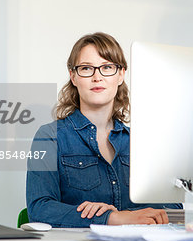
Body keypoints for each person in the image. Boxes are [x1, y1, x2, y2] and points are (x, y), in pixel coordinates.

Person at [26, 32, 181, 228]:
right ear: (73, 76)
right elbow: (39, 209)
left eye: (107, 67)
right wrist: (110, 218)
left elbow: (172, 205)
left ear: (120, 75)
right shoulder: (50, 137)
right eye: (86, 68)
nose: (97, 77)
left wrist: (126, 215)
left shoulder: (141, 142)